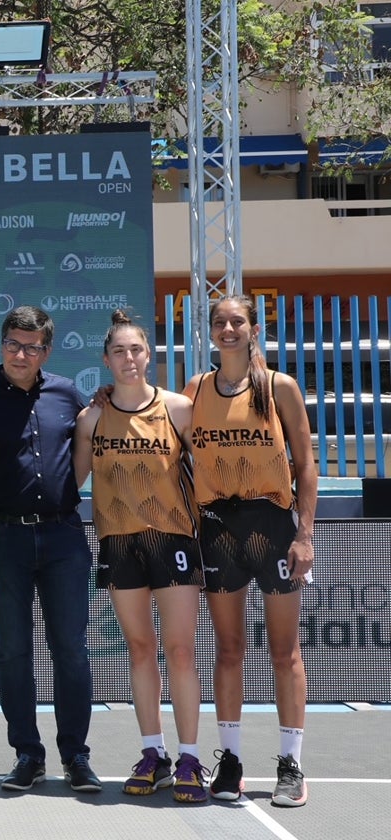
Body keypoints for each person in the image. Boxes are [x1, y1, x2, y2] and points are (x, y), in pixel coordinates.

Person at [0, 304, 101, 794]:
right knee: (13, 653)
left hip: (63, 537)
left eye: (31, 347)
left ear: (46, 351)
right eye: (13, 344)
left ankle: (76, 756)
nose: (21, 354)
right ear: (1, 345)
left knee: (72, 652)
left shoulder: (67, 395)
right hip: (2, 539)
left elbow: (91, 449)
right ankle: (27, 755)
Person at [184, 294, 317, 807]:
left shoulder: (278, 387)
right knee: (229, 650)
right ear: (211, 331)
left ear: (254, 328)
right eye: (220, 322)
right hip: (219, 528)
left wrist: (304, 536)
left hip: (273, 525)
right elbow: (151, 414)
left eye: (237, 321)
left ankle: (291, 765)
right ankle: (231, 760)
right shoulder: (196, 388)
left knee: (285, 653)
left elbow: (306, 466)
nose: (228, 328)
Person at [73, 310, 207, 802]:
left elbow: (208, 475)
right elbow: (72, 483)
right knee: (140, 649)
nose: (128, 359)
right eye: (118, 351)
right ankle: (154, 753)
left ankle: (191, 758)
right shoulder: (90, 419)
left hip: (173, 540)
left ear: (149, 356)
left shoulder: (178, 409)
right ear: (105, 360)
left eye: (136, 350)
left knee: (180, 650)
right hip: (118, 542)